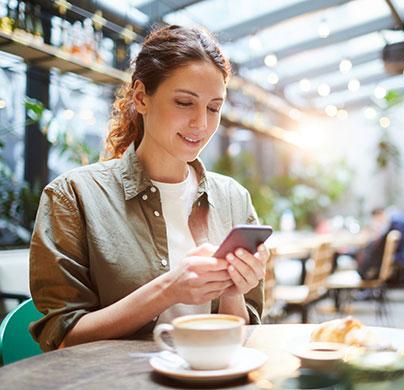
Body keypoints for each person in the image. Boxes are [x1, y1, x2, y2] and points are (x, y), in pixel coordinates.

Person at [29, 25, 269, 352]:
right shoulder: (73, 197)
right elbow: (61, 339)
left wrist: (233, 287)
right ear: (141, 97)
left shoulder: (233, 199)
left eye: (214, 108)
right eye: (185, 102)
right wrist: (169, 288)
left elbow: (243, 334)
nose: (201, 124)